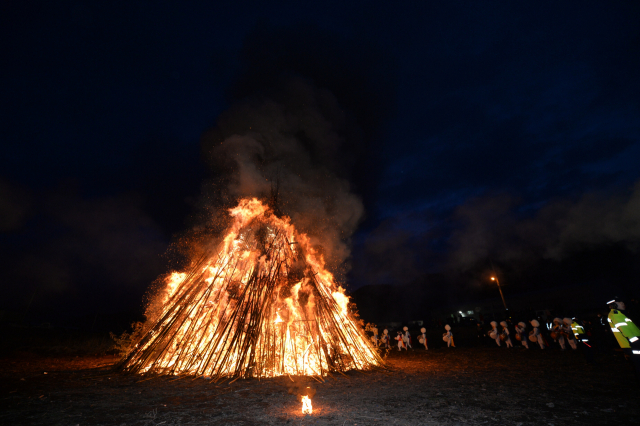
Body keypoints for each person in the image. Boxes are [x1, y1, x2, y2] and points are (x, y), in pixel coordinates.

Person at [607, 298, 640, 378]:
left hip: (631, 343)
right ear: (614, 305)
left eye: (623, 302)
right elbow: (626, 331)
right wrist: (636, 342)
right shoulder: (616, 314)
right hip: (632, 343)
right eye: (620, 302)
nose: (623, 304)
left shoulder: (618, 313)